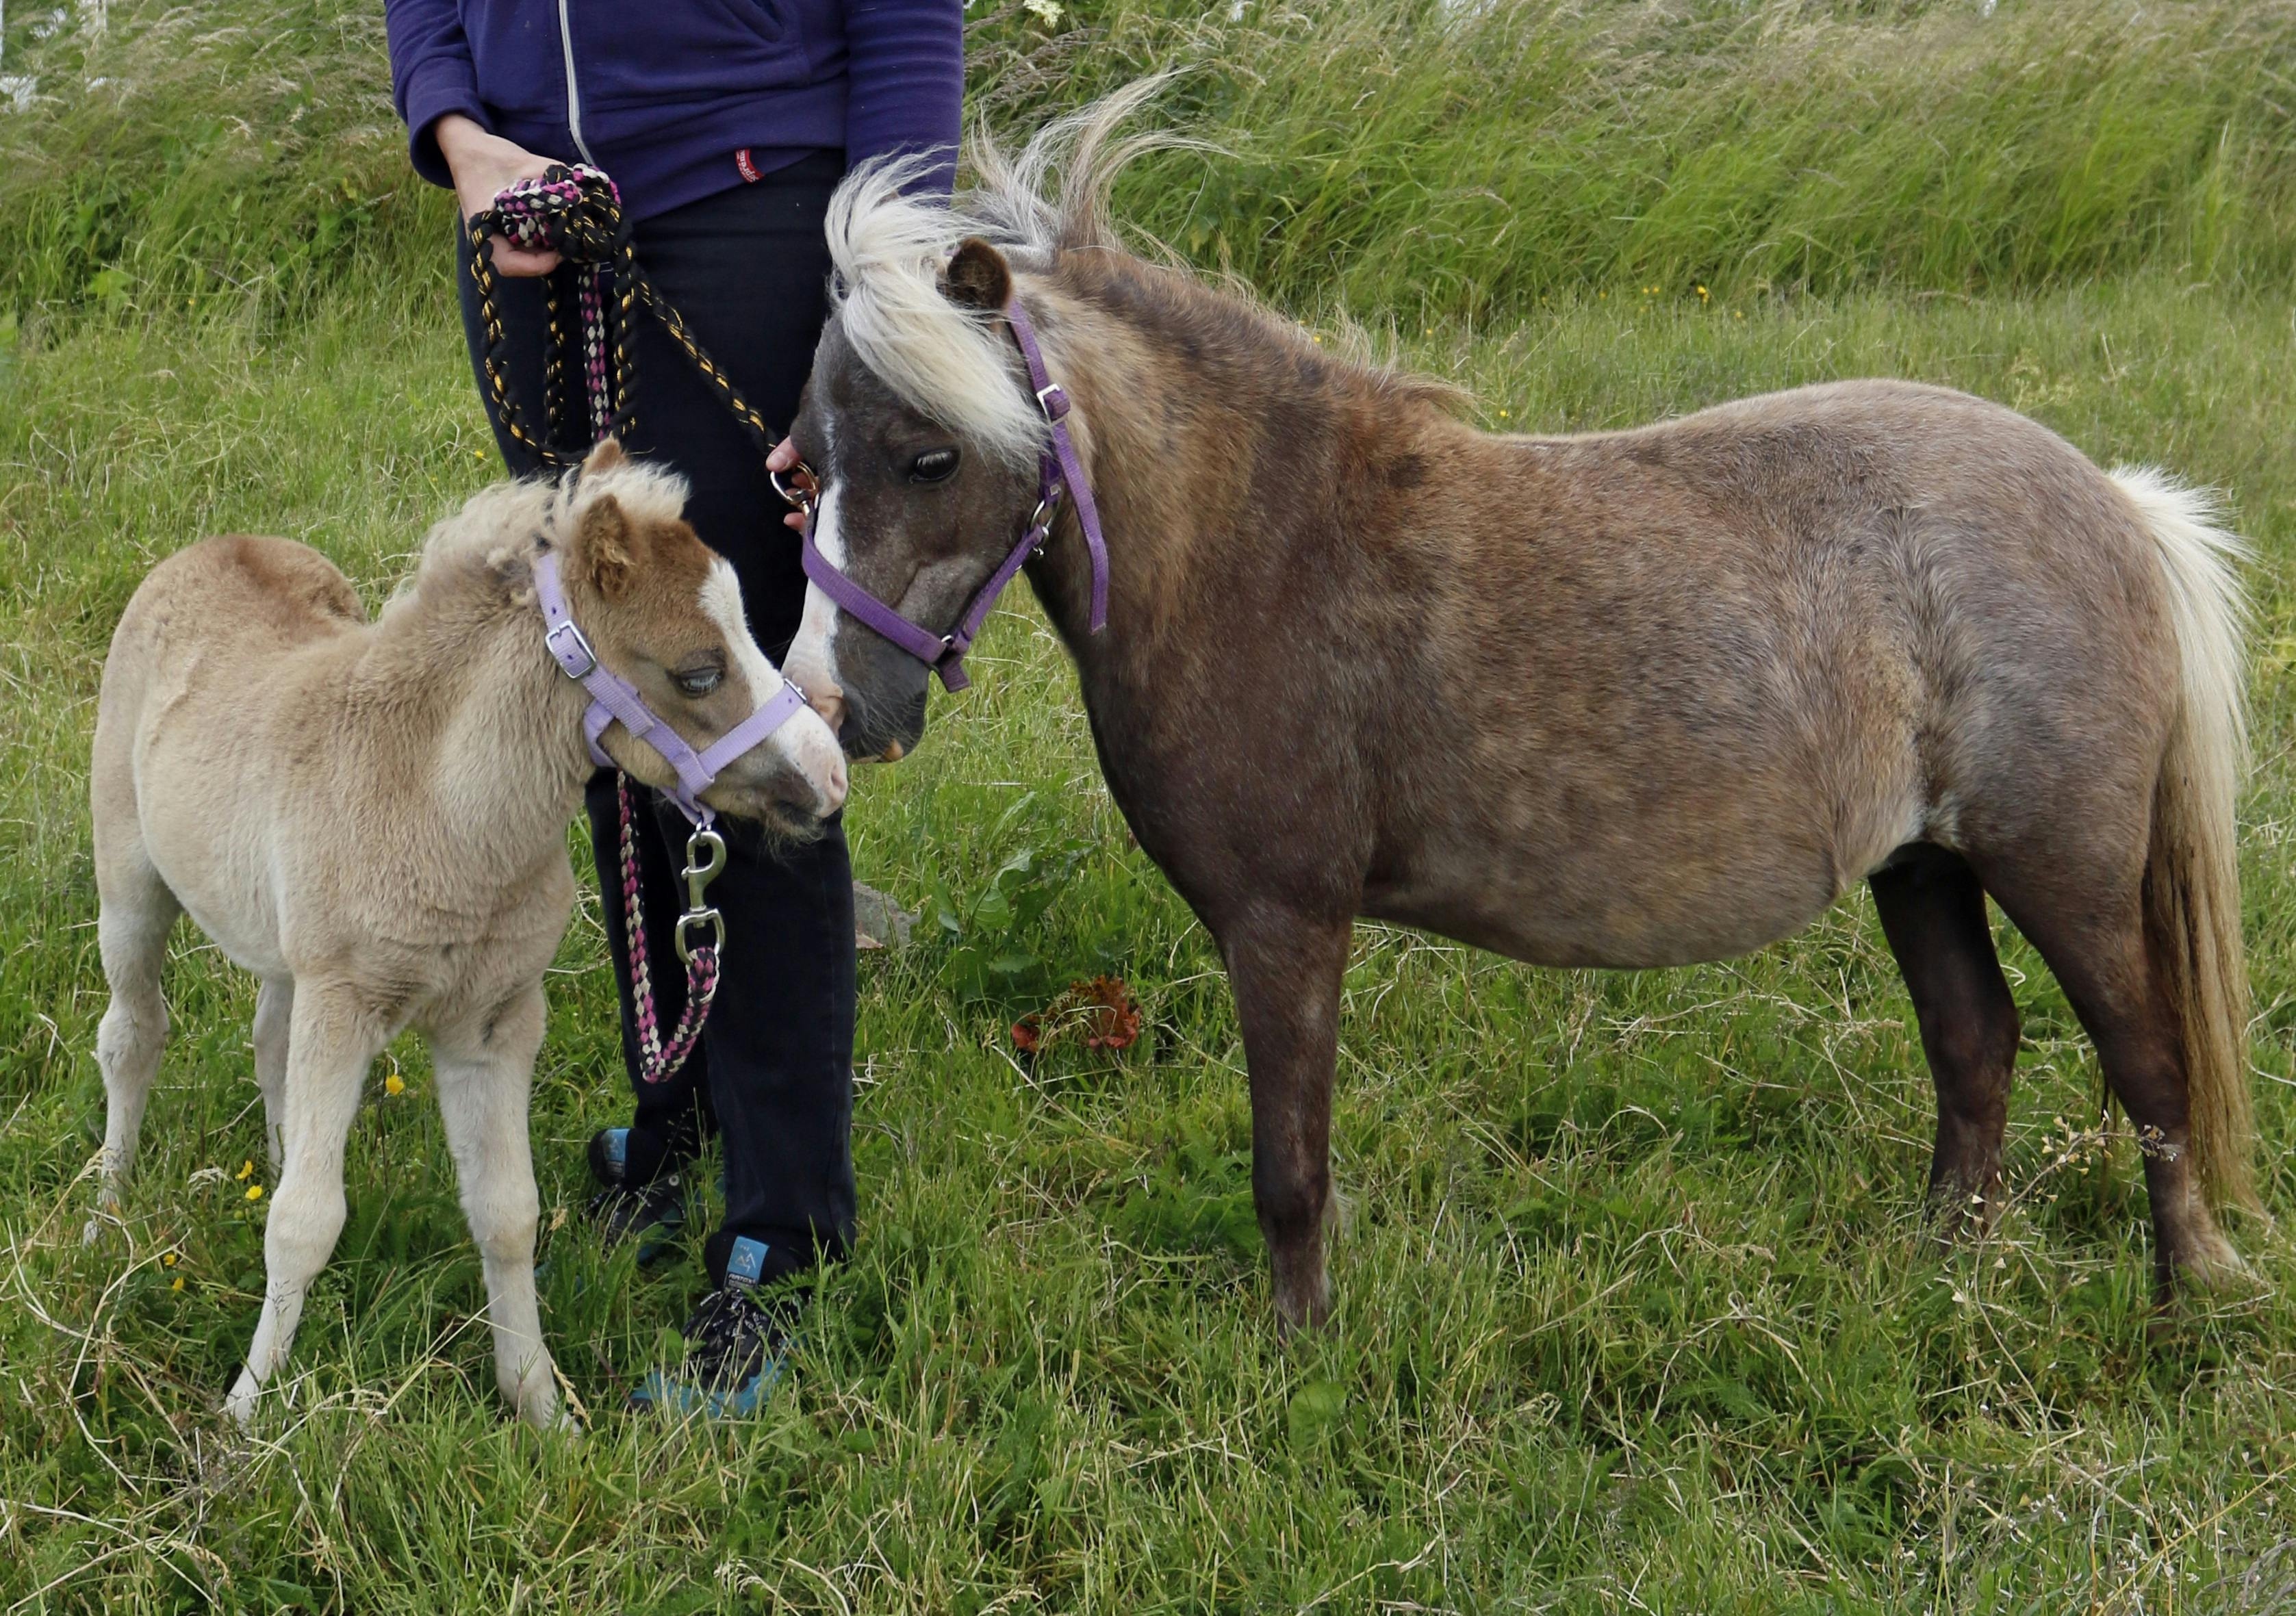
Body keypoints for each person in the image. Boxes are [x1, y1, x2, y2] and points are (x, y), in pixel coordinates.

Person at [384, 0, 962, 1416]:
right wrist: (462, 141)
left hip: (749, 227)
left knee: (740, 713)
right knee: (604, 673)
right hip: (528, 243)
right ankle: (678, 1107)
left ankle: (784, 1232)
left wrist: (880, 310)